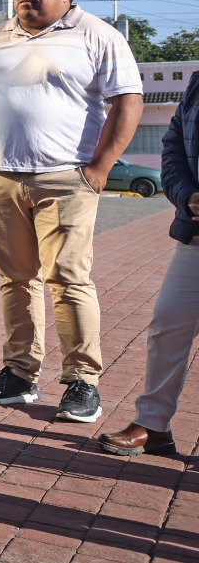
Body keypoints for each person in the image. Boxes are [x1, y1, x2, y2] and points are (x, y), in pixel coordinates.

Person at [0, 0, 142, 425]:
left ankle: (83, 382)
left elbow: (128, 100)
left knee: (68, 279)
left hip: (66, 179)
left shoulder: (98, 35)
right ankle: (19, 376)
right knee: (16, 279)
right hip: (0, 180)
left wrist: (99, 169)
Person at [96, 69, 199, 456]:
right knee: (168, 325)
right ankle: (154, 426)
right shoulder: (197, 82)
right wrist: (186, 195)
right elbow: (173, 147)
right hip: (196, 235)